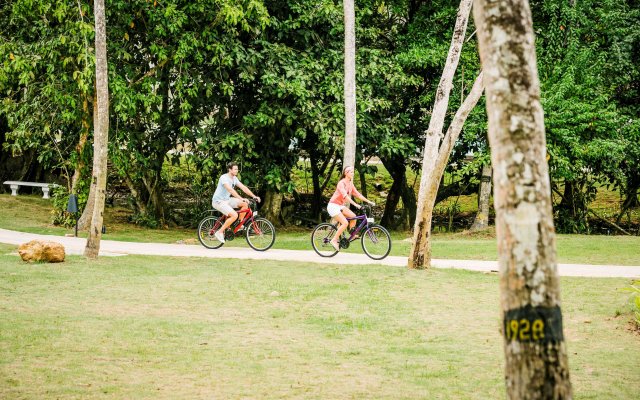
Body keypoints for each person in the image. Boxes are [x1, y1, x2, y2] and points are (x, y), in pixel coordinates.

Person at [327, 166, 375, 251]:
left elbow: (358, 194)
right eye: (351, 172)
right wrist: (356, 204)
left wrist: (369, 201)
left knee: (353, 216)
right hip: (333, 206)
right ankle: (334, 240)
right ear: (346, 173)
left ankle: (351, 235)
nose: (352, 173)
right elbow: (345, 197)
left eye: (353, 172)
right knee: (345, 223)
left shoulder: (350, 184)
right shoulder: (341, 183)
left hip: (340, 206)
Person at [211, 161, 261, 243]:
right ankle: (219, 232)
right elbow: (230, 190)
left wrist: (254, 196)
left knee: (245, 204)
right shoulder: (224, 178)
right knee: (234, 215)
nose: (237, 171)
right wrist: (241, 198)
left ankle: (240, 224)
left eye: (237, 169)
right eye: (235, 169)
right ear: (229, 170)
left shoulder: (234, 178)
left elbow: (243, 188)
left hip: (227, 200)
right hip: (218, 201)